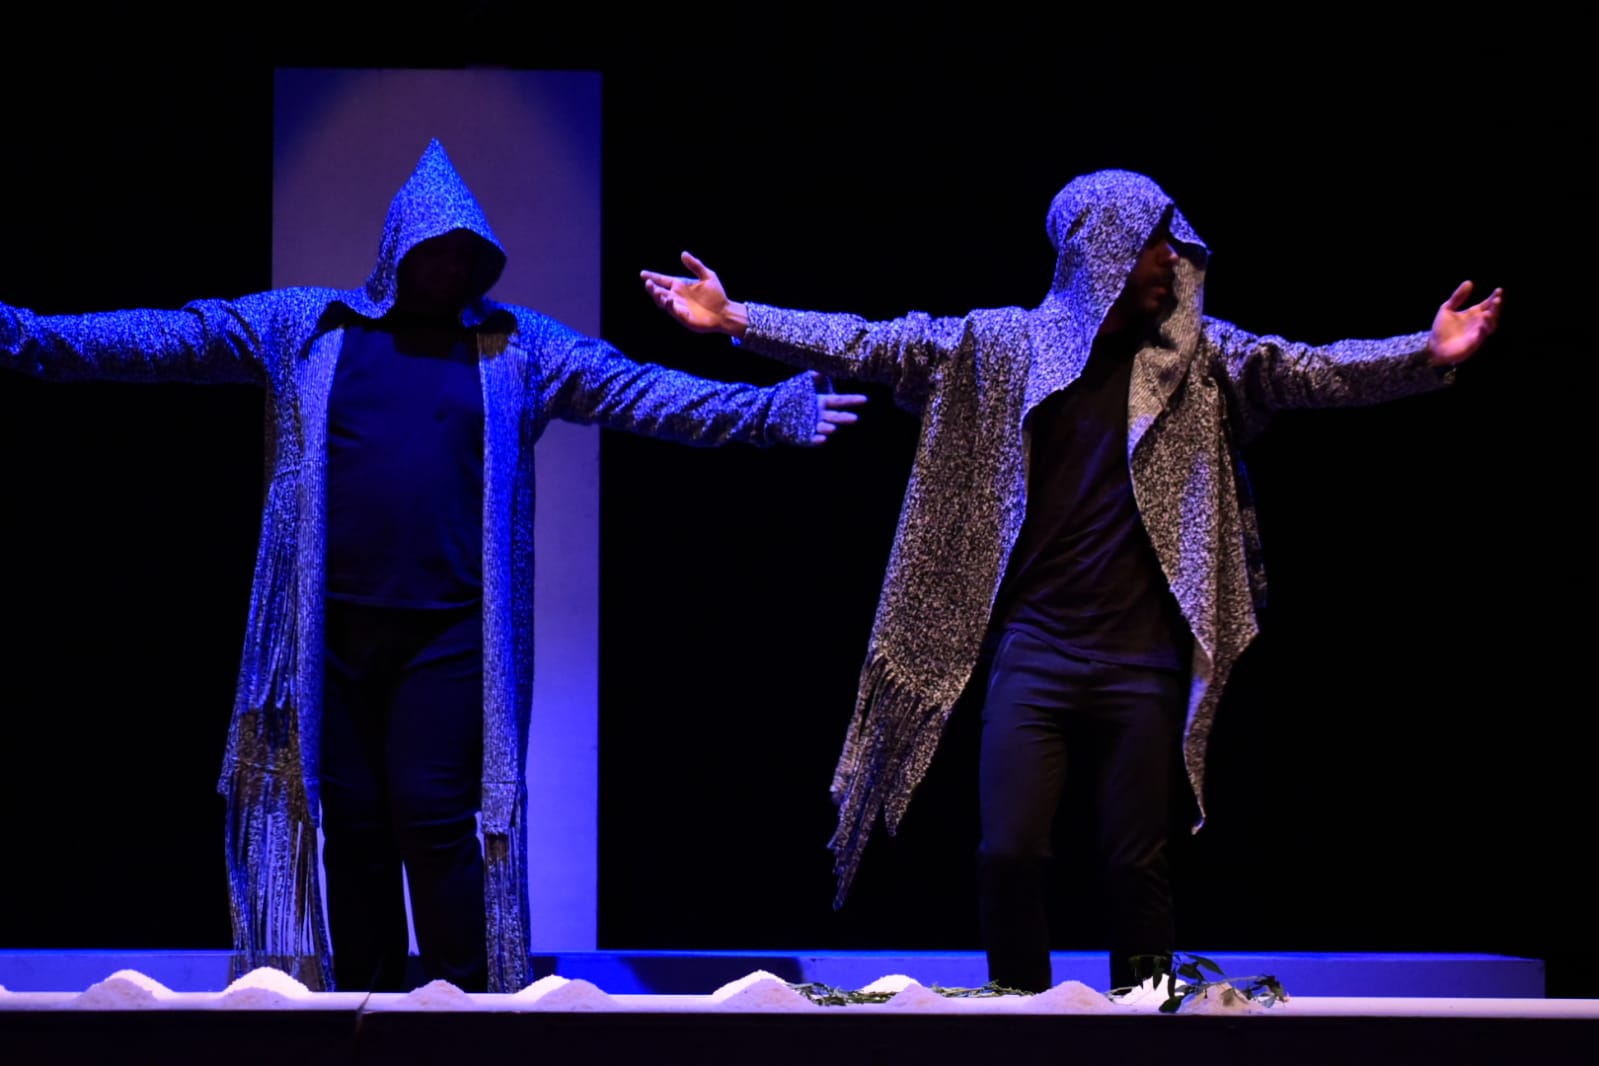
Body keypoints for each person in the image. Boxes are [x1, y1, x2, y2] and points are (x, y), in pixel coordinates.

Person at [0, 138, 865, 994]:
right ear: (396, 250)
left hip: (450, 632)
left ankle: (468, 1009)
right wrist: (24, 336)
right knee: (354, 827)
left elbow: (639, 390)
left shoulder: (516, 345)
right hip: (328, 630)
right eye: (433, 250)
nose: (450, 268)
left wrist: (769, 413)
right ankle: (364, 1008)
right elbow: (174, 336)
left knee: (434, 817)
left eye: (466, 255)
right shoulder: (308, 325)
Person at [641, 168, 1503, 992]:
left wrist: (1423, 353)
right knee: (1008, 851)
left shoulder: (1195, 359)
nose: (1172, 258)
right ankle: (1022, 1015)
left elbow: (1303, 369)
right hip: (1038, 650)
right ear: (1103, 247)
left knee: (1136, 862)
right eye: (1154, 242)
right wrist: (738, 319)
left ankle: (1148, 1016)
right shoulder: (999, 347)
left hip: (1142, 657)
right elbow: (873, 341)